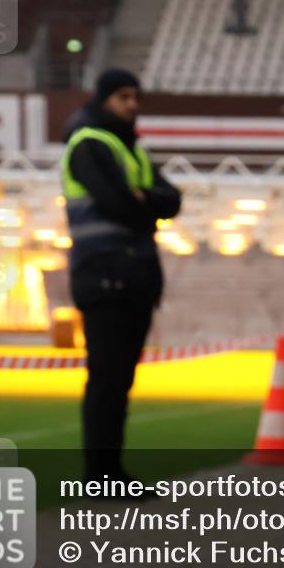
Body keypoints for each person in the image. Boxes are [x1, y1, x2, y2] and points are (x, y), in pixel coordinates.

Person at [61, 68, 182, 485]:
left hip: (133, 275)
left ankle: (111, 470)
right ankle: (101, 475)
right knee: (108, 380)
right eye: (123, 97)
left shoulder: (133, 150)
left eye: (135, 97)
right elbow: (117, 204)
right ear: (104, 99)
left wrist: (143, 200)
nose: (132, 105)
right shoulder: (89, 143)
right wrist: (147, 205)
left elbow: (173, 200)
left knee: (120, 381)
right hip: (104, 273)